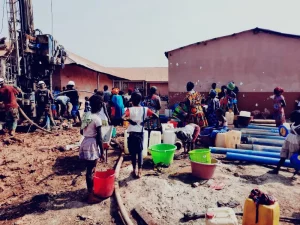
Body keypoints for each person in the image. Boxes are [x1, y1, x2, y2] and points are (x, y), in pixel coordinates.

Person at [122, 92, 157, 178]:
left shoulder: (130, 109)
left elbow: (122, 117)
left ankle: (134, 170)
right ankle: (140, 171)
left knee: (133, 153)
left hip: (132, 133)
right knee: (140, 151)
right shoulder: (145, 109)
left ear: (132, 101)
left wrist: (130, 121)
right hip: (140, 133)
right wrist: (144, 121)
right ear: (140, 100)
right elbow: (155, 116)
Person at [79, 94, 105, 203]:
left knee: (89, 170)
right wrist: (102, 152)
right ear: (99, 105)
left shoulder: (86, 116)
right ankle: (90, 195)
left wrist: (88, 132)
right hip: (92, 144)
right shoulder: (97, 119)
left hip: (85, 142)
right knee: (90, 171)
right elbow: (99, 138)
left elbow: (81, 131)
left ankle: (91, 191)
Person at [268, 110, 300, 178]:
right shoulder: (293, 124)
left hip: (295, 143)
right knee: (283, 155)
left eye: (292, 117)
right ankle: (276, 170)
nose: (290, 118)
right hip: (288, 141)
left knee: (294, 158)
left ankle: (296, 172)